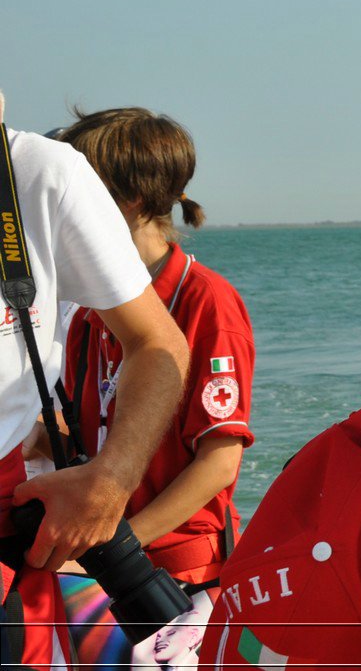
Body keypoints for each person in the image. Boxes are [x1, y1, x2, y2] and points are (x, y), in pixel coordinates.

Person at [49, 108, 254, 668]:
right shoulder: (93, 313)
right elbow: (80, 438)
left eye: (74, 195)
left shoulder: (206, 301)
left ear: (129, 201)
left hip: (181, 584)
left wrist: (116, 543)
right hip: (106, 570)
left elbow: (219, 463)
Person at [0, 93, 189, 670]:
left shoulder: (36, 174)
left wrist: (110, 492)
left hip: (177, 551)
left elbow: (220, 453)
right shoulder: (82, 318)